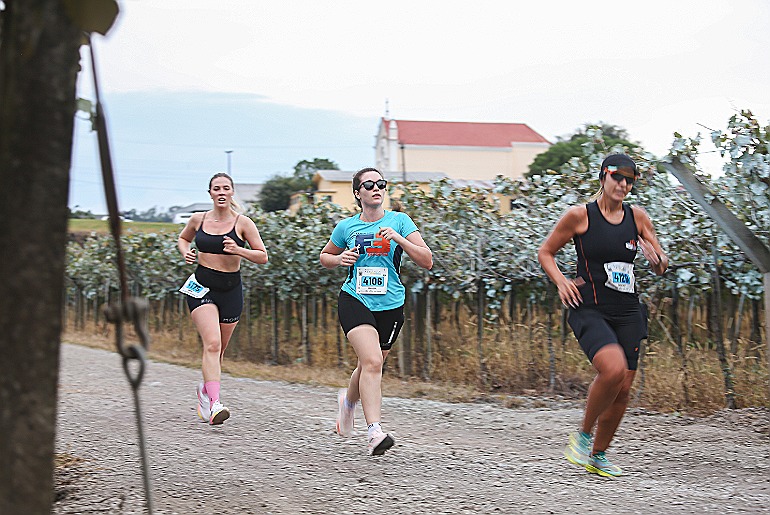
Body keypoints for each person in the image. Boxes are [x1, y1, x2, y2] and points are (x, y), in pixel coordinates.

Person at [537, 154, 668, 477]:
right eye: (617, 177)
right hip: (590, 308)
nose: (623, 184)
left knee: (623, 388)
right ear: (603, 177)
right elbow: (546, 252)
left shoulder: (637, 217)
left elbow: (661, 263)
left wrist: (656, 259)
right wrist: (562, 281)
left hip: (628, 311)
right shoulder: (580, 216)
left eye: (629, 180)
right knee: (613, 369)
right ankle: (582, 436)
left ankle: (598, 456)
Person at [320, 167, 433, 456]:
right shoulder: (346, 227)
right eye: (368, 185)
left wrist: (399, 238)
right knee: (371, 362)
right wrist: (339, 259)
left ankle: (348, 402)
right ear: (357, 193)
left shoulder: (400, 221)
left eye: (380, 184)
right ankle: (374, 433)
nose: (376, 188)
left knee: (369, 364)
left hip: (391, 304)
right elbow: (325, 256)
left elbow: (427, 260)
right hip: (355, 299)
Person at [178, 173, 268, 425]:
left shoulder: (243, 223)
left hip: (231, 291)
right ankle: (215, 404)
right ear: (210, 193)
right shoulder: (198, 219)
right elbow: (183, 238)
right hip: (201, 288)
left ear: (231, 192)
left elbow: (262, 256)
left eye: (225, 188)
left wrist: (238, 250)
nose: (221, 192)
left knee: (219, 351)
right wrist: (186, 252)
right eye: (216, 188)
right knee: (212, 344)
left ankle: (205, 391)